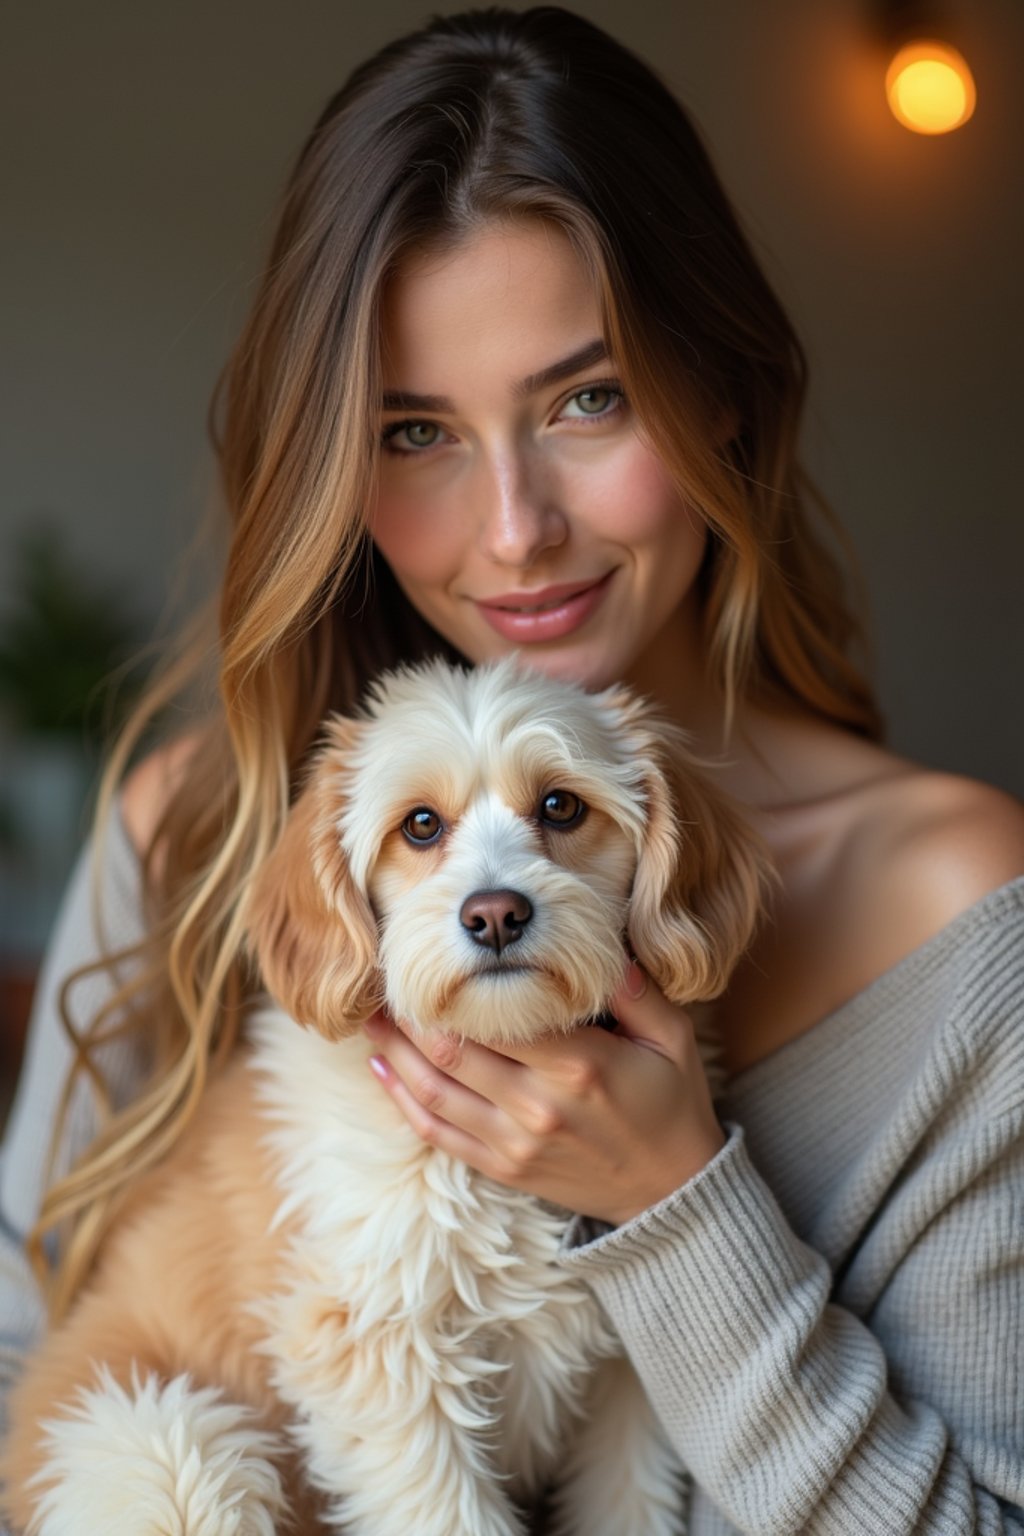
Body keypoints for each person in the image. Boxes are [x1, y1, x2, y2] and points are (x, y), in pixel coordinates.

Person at [2, 7, 1022, 1532]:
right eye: (415, 430)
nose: (516, 528)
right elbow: (32, 1366)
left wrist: (683, 1214)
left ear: (724, 389)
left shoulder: (961, 911)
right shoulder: (198, 820)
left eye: (587, 399)